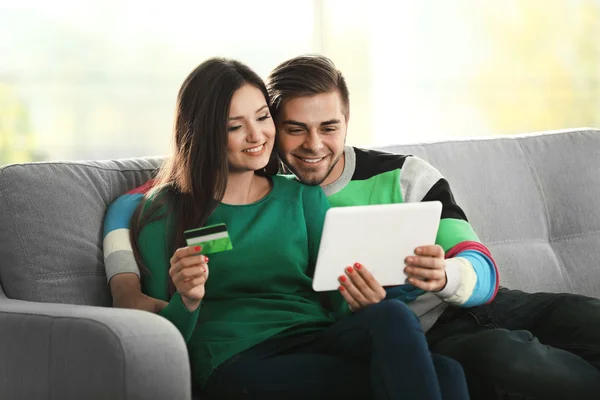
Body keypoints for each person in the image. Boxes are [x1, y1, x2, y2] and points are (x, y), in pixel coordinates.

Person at [106, 54, 600, 399]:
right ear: (205, 132)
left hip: (331, 333)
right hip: (238, 357)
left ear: (347, 122)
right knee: (447, 373)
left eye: (262, 118)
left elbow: (336, 299)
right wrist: (186, 300)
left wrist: (367, 297)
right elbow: (157, 332)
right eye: (237, 125)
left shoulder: (304, 196)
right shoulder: (164, 212)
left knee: (393, 319)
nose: (259, 136)